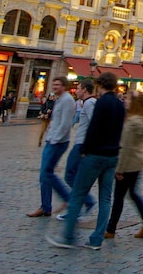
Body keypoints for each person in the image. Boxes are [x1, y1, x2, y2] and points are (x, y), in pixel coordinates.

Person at [47, 71, 126, 250]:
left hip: (96, 155)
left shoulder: (100, 103)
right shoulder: (120, 105)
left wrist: (84, 151)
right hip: (112, 156)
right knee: (106, 198)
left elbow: (93, 130)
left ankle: (67, 237)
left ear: (100, 85)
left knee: (78, 195)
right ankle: (96, 239)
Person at [105, 90, 143, 239]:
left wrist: (119, 169)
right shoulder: (142, 119)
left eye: (127, 99)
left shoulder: (132, 122)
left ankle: (111, 229)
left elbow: (126, 148)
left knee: (119, 196)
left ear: (134, 103)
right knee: (132, 193)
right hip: (137, 162)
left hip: (128, 164)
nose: (125, 101)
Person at [28, 78, 75, 217]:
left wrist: (55, 139)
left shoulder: (67, 100)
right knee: (45, 174)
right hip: (52, 140)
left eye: (57, 84)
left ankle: (66, 198)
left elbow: (66, 123)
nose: (54, 86)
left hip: (57, 142)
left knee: (46, 173)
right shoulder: (59, 99)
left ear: (64, 86)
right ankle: (46, 206)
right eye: (53, 84)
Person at [57, 80, 96, 221]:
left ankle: (85, 202)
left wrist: (87, 145)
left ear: (85, 90)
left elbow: (94, 124)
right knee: (76, 176)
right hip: (82, 144)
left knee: (70, 176)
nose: (76, 91)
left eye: (78, 88)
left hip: (82, 145)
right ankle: (79, 206)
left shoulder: (89, 103)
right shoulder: (87, 103)